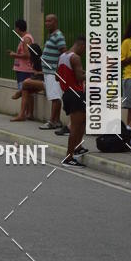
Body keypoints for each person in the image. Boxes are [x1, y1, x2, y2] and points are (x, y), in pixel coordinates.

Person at [57, 36, 88, 167]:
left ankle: (78, 147)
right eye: (85, 49)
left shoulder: (62, 56)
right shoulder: (75, 58)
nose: (84, 52)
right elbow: (80, 77)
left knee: (82, 121)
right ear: (81, 46)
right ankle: (69, 158)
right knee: (75, 126)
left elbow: (57, 77)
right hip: (76, 94)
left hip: (67, 93)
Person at [39, 14, 66, 130]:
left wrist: (58, 70)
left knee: (55, 97)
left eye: (49, 21)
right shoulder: (51, 35)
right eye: (46, 21)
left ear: (55, 22)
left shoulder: (58, 36)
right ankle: (57, 121)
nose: (47, 23)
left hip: (53, 71)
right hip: (48, 71)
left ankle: (52, 122)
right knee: (55, 96)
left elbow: (64, 53)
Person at [10, 43, 44, 122]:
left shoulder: (42, 59)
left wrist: (38, 73)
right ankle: (23, 114)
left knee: (25, 82)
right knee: (26, 89)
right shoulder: (33, 60)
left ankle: (19, 93)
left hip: (45, 81)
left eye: (29, 52)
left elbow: (49, 73)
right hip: (37, 79)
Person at [8, 18, 34, 104]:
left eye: (15, 28)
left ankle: (26, 111)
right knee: (26, 93)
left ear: (18, 28)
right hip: (22, 70)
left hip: (25, 70)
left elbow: (28, 55)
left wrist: (14, 55)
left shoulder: (26, 39)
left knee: (25, 93)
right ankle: (27, 111)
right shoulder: (24, 38)